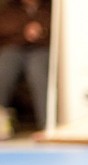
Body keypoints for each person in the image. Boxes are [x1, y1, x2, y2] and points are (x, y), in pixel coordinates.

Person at [0, 0, 50, 137]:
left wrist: (41, 31)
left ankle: (46, 125)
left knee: (38, 70)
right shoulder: (10, 8)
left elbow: (55, 30)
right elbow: (4, 30)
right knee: (4, 69)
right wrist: (24, 32)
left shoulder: (49, 7)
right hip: (14, 49)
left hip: (42, 49)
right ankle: (1, 124)